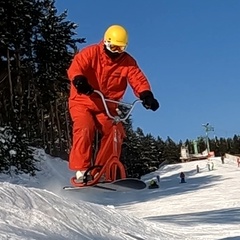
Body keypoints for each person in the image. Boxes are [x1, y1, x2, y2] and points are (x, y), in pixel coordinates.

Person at [67, 24, 159, 181]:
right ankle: (81, 170)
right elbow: (77, 66)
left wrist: (146, 94)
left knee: (115, 132)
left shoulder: (127, 62)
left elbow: (137, 78)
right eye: (113, 47)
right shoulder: (91, 53)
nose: (116, 52)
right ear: (105, 42)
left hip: (106, 105)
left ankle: (99, 171)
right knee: (85, 127)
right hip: (83, 100)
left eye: (120, 48)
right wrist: (79, 80)